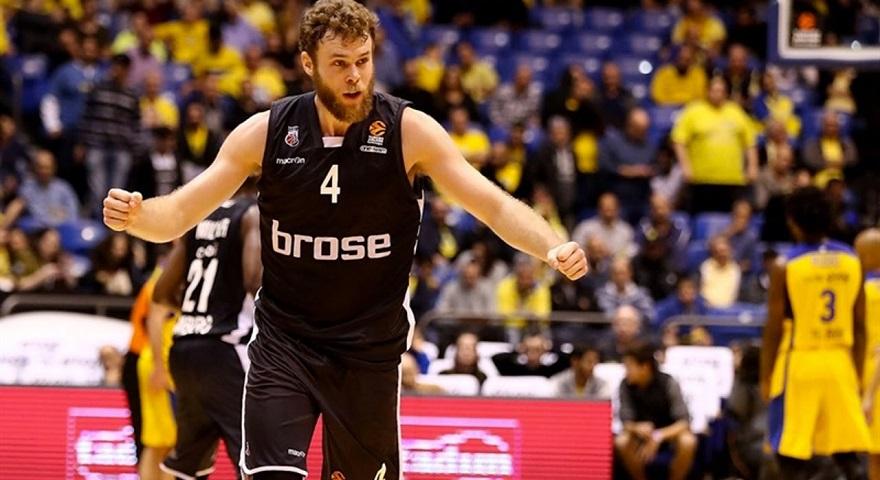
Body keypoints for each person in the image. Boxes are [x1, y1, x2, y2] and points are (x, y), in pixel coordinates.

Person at [101, 2, 587, 479]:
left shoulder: (408, 132)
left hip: (367, 353)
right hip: (284, 342)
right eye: (339, 64)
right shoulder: (266, 133)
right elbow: (177, 215)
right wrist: (137, 216)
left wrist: (551, 246)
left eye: (363, 61)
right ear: (308, 63)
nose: (355, 76)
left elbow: (494, 205)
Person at [145, 184, 259, 479]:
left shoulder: (201, 217)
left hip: (184, 349)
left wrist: (201, 313)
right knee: (256, 459)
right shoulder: (252, 214)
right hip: (226, 349)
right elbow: (254, 281)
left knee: (190, 464)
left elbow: (161, 292)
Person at [760, 187, 871, 480]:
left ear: (792, 222)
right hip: (840, 363)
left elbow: (773, 329)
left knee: (788, 452)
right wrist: (858, 374)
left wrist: (765, 376)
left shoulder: (785, 266)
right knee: (848, 454)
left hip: (799, 363)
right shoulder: (853, 260)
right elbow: (860, 326)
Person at [615, 341, 697, 480]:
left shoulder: (669, 382)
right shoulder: (625, 385)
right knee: (621, 441)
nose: (626, 372)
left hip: (668, 434)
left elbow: (684, 421)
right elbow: (625, 421)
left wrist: (658, 435)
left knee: (688, 441)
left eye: (629, 367)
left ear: (644, 367)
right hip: (640, 436)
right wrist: (636, 427)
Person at [857, 228, 880, 480]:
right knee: (874, 455)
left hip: (876, 379)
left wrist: (869, 395)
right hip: (870, 374)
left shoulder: (869, 292)